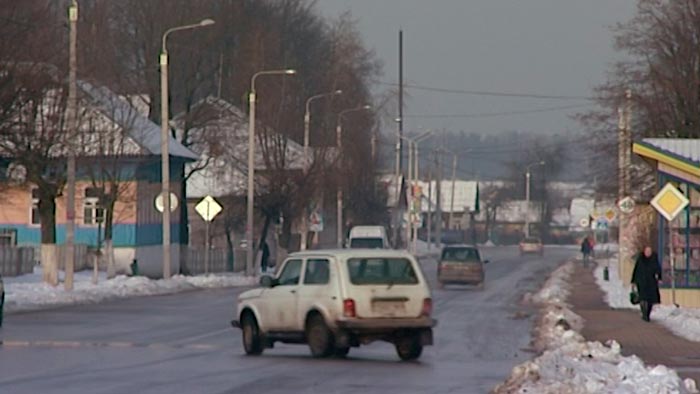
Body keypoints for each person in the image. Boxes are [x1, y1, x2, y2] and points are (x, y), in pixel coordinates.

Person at [631, 246, 662, 322]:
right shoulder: (640, 259)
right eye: (647, 251)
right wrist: (633, 281)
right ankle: (644, 313)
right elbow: (636, 270)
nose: (648, 253)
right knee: (643, 298)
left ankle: (648, 313)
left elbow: (658, 269)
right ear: (644, 251)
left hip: (651, 282)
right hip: (641, 282)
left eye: (649, 251)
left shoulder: (654, 259)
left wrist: (659, 277)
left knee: (650, 300)